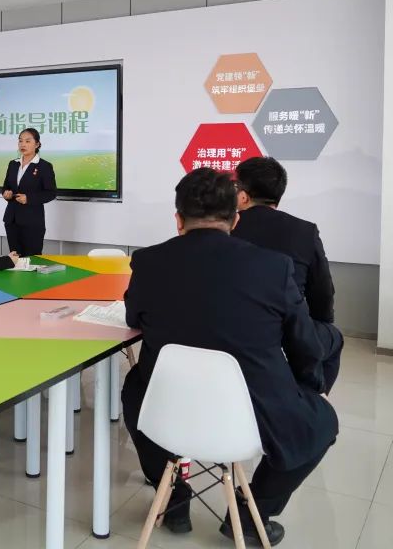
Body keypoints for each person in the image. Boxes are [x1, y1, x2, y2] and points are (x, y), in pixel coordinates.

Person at [121, 168, 337, 546]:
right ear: (236, 219)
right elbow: (305, 344)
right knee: (321, 423)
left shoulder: (148, 261)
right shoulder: (273, 268)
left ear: (178, 219)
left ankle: (173, 498)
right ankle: (252, 513)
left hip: (166, 408)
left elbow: (132, 318)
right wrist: (306, 388)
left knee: (134, 387)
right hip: (252, 412)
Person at [232, 156, 343, 393]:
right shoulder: (305, 231)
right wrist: (317, 325)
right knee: (334, 337)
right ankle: (311, 394)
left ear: (243, 196)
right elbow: (322, 292)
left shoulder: (226, 228)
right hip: (287, 332)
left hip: (230, 329)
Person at [1, 127, 57, 256]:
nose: (23, 144)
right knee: (15, 259)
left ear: (37, 144)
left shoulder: (44, 166)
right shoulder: (13, 164)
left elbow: (51, 193)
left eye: (27, 141)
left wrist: (29, 198)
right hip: (11, 220)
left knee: (32, 260)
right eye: (20, 141)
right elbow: (6, 186)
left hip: (32, 222)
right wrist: (6, 194)